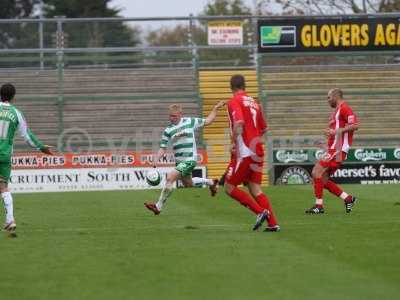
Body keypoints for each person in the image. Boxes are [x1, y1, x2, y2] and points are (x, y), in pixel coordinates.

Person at [144, 101, 225, 215]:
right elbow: (163, 148)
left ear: (180, 115)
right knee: (188, 184)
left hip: (190, 159)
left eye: (174, 116)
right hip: (179, 163)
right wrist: (155, 160)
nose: (172, 118)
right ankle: (211, 182)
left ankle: (158, 206)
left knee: (170, 177)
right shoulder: (168, 130)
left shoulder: (190, 121)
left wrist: (215, 108)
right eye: (170, 116)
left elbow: (208, 121)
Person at [224, 74, 280, 232]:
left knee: (229, 187)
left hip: (246, 150)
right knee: (255, 188)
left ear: (231, 87)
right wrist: (256, 140)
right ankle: (273, 223)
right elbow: (265, 129)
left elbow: (239, 122)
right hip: (257, 149)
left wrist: (233, 143)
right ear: (244, 86)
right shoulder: (254, 102)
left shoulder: (235, 101)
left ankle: (260, 212)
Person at [0, 83, 53, 234]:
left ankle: (10, 220)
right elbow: (27, 136)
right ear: (13, 97)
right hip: (4, 155)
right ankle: (10, 220)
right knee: (3, 187)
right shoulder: (16, 113)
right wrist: (42, 147)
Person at [306, 88, 359, 214]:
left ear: (336, 96)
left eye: (329, 97)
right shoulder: (337, 112)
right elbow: (336, 133)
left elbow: (355, 125)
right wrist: (325, 143)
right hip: (334, 149)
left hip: (338, 149)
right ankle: (348, 199)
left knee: (316, 171)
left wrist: (336, 131)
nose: (327, 100)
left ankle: (319, 206)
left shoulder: (345, 108)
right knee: (322, 179)